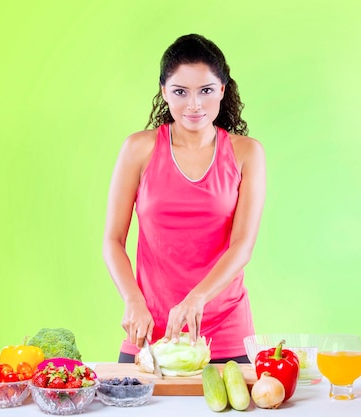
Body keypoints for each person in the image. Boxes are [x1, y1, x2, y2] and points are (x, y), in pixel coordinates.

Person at [102, 34, 266, 364]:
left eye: (205, 90)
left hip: (224, 331)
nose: (194, 105)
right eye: (180, 92)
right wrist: (133, 300)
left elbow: (242, 246)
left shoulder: (247, 152)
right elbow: (113, 240)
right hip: (150, 332)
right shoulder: (139, 149)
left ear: (222, 89)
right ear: (164, 92)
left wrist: (197, 298)